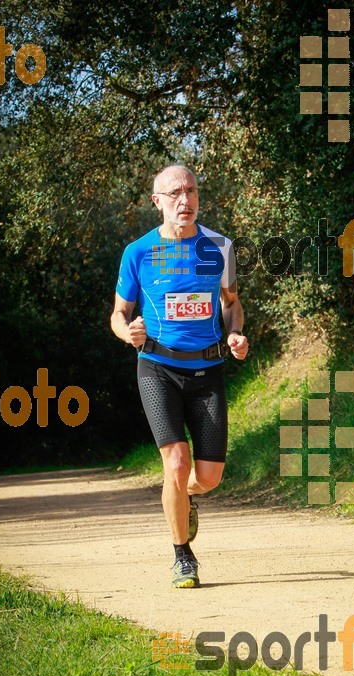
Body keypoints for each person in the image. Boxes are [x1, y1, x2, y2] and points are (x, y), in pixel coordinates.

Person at [111, 165, 248, 588]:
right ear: (157, 202)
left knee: (207, 477)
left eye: (190, 191)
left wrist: (236, 332)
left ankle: (183, 498)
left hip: (207, 370)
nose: (183, 200)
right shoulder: (138, 252)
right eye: (173, 193)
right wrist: (127, 332)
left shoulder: (219, 247)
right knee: (175, 461)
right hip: (157, 367)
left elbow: (231, 303)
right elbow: (119, 314)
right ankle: (182, 555)